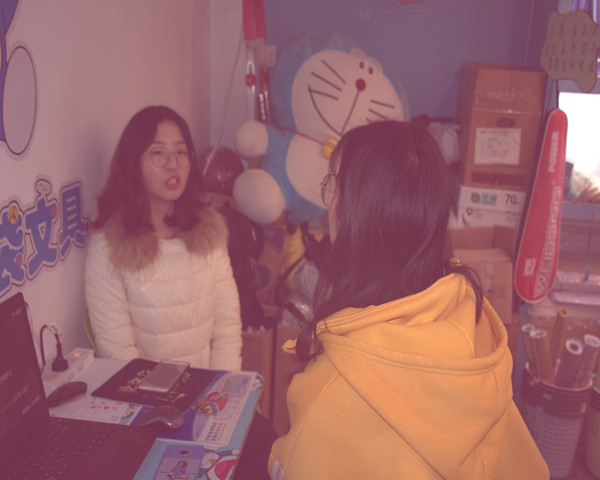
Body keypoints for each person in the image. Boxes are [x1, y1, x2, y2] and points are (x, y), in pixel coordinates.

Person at [267, 121, 549, 479]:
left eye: (334, 185)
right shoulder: (471, 316)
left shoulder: (331, 388)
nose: (329, 199)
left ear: (358, 215)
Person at [85, 106, 242, 370]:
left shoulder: (207, 232)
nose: (173, 164)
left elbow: (227, 328)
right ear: (132, 163)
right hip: (144, 393)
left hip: (209, 389)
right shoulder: (109, 247)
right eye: (158, 153)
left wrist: (221, 387)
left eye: (181, 152)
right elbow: (118, 354)